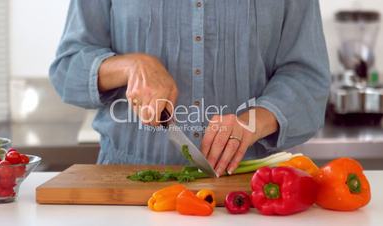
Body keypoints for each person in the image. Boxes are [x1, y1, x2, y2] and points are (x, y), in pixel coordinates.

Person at [50, 0, 330, 177]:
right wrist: (131, 66)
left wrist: (251, 123)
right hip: (127, 184)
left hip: (248, 189)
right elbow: (67, 68)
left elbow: (307, 76)